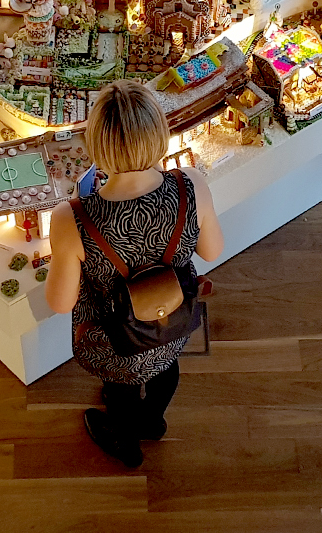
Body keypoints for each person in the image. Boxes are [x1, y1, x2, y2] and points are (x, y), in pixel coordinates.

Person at [45, 80, 225, 468]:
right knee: (165, 372)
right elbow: (212, 250)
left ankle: (126, 442)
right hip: (170, 326)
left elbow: (60, 303)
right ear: (159, 131)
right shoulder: (191, 183)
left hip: (115, 340)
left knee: (121, 389)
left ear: (95, 146)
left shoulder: (71, 217)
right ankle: (153, 422)